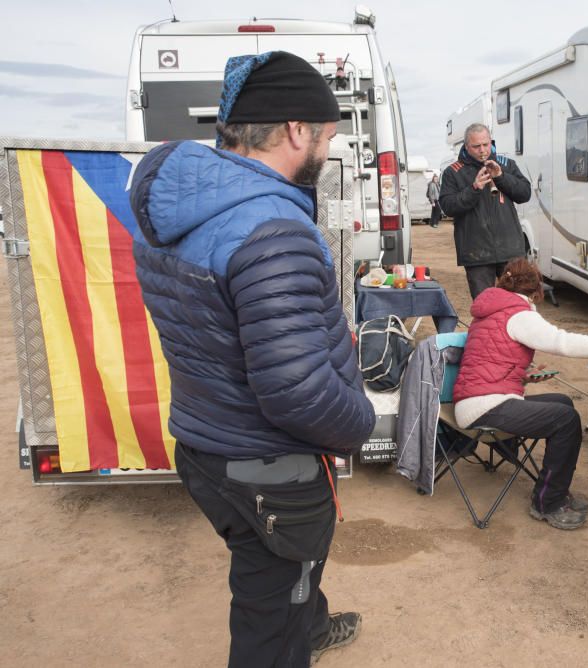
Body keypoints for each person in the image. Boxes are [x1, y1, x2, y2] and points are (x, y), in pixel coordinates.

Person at [129, 51, 376, 667]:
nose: (330, 144)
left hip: (205, 443)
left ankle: (311, 624)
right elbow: (297, 392)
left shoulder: (189, 208)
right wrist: (362, 425)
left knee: (283, 567)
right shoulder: (272, 230)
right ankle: (296, 635)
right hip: (267, 465)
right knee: (269, 619)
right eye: (326, 133)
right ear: (296, 131)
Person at [452, 258, 588, 530]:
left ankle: (553, 488)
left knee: (562, 402)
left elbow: (489, 361)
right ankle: (548, 501)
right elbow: (562, 342)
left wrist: (523, 375)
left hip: (474, 400)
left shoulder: (490, 309)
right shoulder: (519, 313)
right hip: (485, 406)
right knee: (567, 420)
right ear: (536, 291)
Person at [439, 123, 532, 299]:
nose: (482, 150)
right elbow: (448, 206)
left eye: (486, 144)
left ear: (491, 142)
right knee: (485, 305)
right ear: (466, 146)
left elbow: (525, 194)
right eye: (476, 146)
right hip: (476, 253)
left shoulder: (507, 164)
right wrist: (474, 188)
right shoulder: (453, 172)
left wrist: (501, 177)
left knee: (520, 302)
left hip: (511, 249)